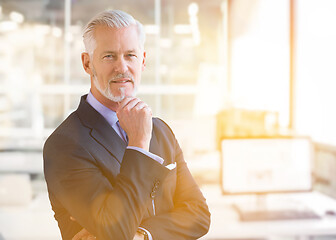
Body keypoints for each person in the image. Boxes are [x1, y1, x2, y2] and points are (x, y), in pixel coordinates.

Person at [43, 9, 210, 240]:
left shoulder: (161, 131)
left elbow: (199, 215)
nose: (121, 67)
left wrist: (142, 234)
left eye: (130, 55)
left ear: (142, 61)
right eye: (109, 56)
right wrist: (139, 144)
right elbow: (117, 231)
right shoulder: (65, 145)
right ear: (87, 63)